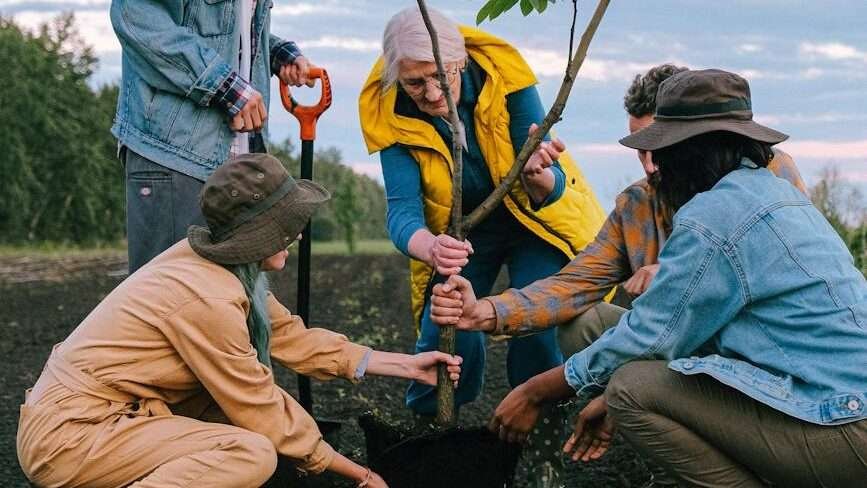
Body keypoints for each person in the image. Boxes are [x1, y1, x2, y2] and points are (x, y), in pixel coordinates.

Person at [433, 69, 867, 487]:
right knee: (616, 359)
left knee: (632, 389)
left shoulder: (713, 214)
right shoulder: (768, 193)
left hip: (837, 421)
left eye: (660, 149)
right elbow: (579, 284)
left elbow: (650, 337)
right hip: (820, 398)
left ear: (690, 151)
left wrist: (537, 391)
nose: (653, 165)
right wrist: (487, 311)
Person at [16, 154, 463, 488]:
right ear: (260, 236)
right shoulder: (205, 296)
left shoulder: (222, 270)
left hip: (114, 417)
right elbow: (257, 401)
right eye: (289, 225)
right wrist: (358, 474)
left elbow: (290, 337)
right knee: (249, 454)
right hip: (71, 437)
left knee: (237, 427)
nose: (298, 233)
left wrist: (405, 365)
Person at [358, 7, 607, 484]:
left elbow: (551, 183)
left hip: (535, 222)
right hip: (461, 235)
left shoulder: (506, 77)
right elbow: (402, 211)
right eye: (415, 83)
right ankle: (431, 430)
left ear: (462, 61)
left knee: (538, 322)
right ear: (396, 77)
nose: (431, 95)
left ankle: (540, 450)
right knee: (448, 327)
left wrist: (539, 176)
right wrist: (430, 246)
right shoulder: (388, 108)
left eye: (440, 78)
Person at [110, 0, 316, 273]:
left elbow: (227, 29)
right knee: (173, 296)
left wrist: (276, 52)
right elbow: (136, 16)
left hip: (238, 158)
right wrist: (223, 85)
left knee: (229, 295)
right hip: (174, 153)